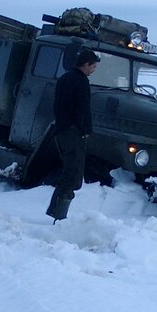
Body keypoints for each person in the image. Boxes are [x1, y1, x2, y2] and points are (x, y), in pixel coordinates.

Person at [46, 48, 99, 221]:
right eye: (93, 66)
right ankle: (59, 215)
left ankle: (56, 211)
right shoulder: (81, 82)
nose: (94, 69)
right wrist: (86, 130)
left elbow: (57, 106)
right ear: (85, 64)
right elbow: (83, 109)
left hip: (61, 130)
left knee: (69, 172)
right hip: (73, 132)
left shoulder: (64, 78)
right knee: (72, 173)